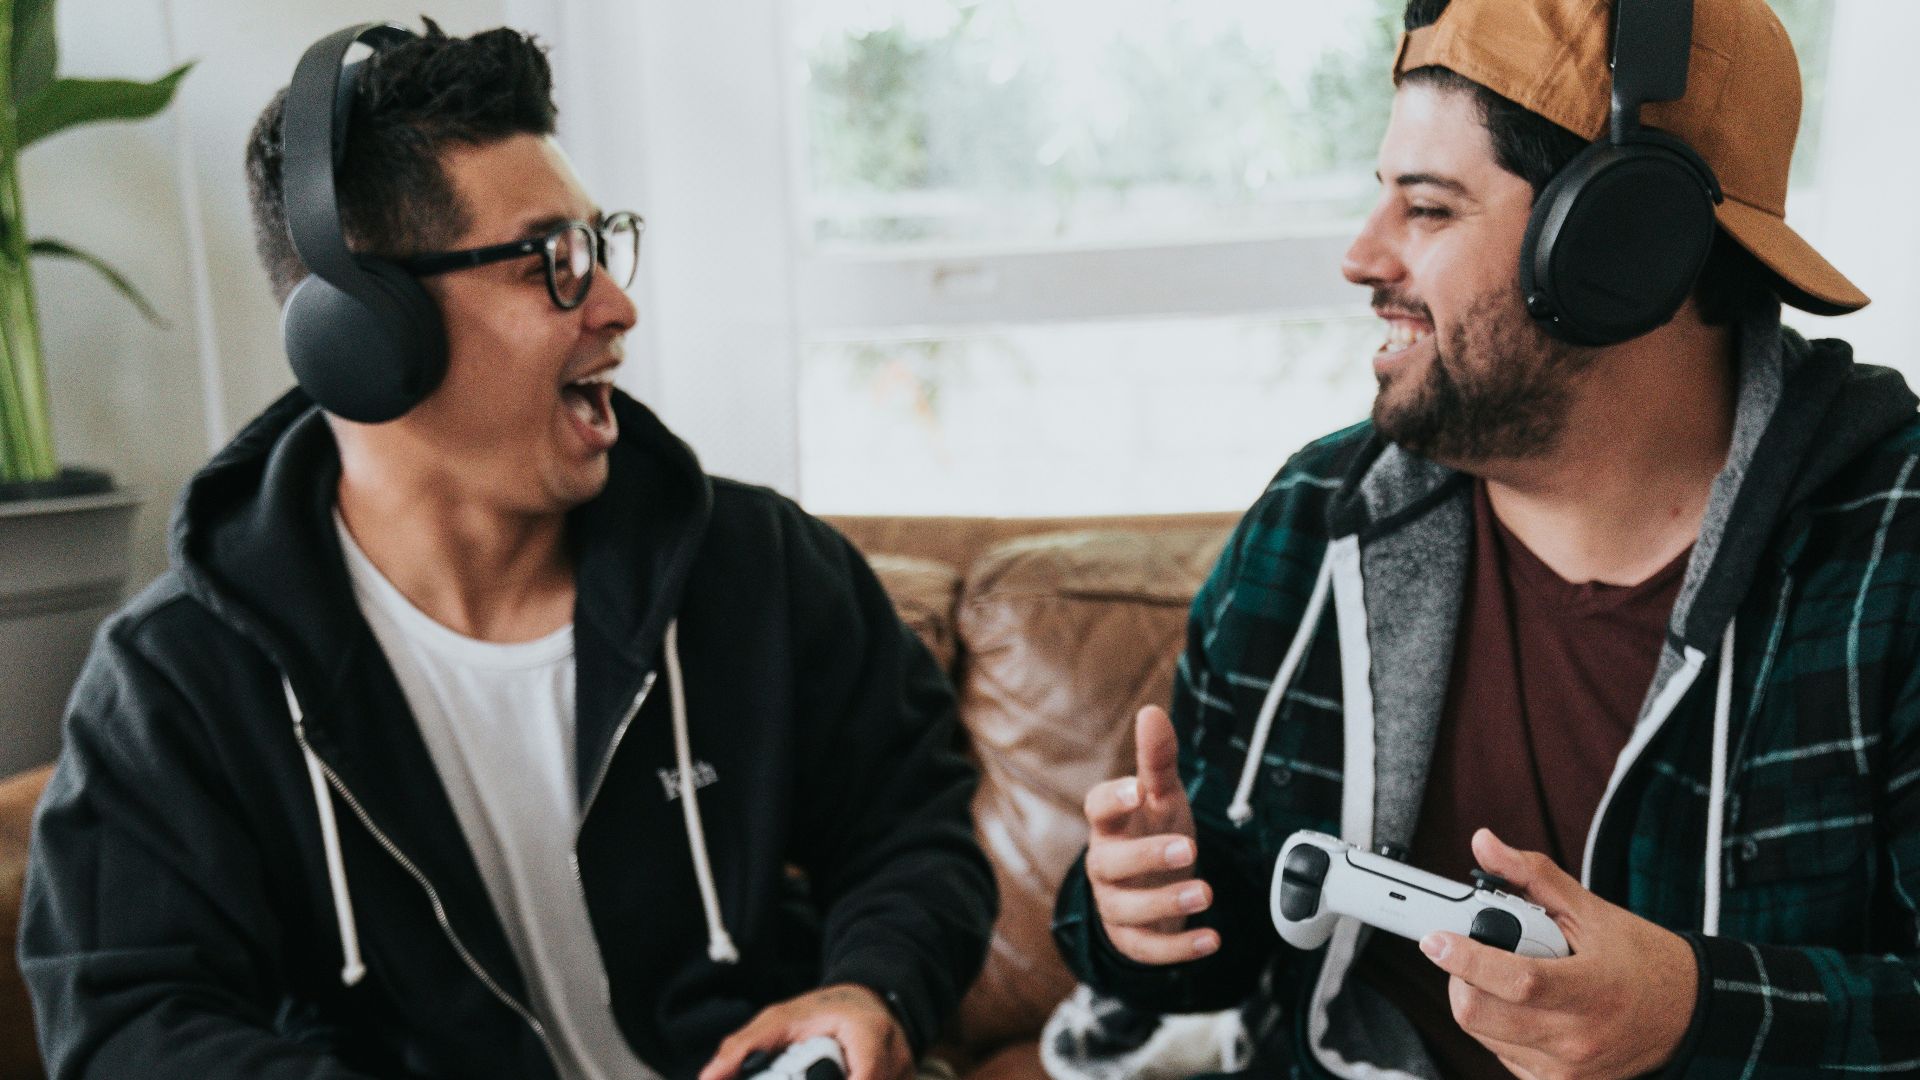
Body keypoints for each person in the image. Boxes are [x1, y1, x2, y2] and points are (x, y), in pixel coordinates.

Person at [20, 21, 993, 1080]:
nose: (618, 308)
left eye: (601, 245)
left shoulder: (756, 566)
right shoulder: (176, 682)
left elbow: (915, 824)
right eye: (554, 264)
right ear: (364, 336)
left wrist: (874, 984)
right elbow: (127, 1024)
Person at [1053, 0, 1920, 1076]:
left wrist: (1694, 1014)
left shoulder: (1892, 555)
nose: (1361, 258)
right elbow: (1225, 939)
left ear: (1623, 250)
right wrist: (1140, 912)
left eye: (1428, 209)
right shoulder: (1320, 513)